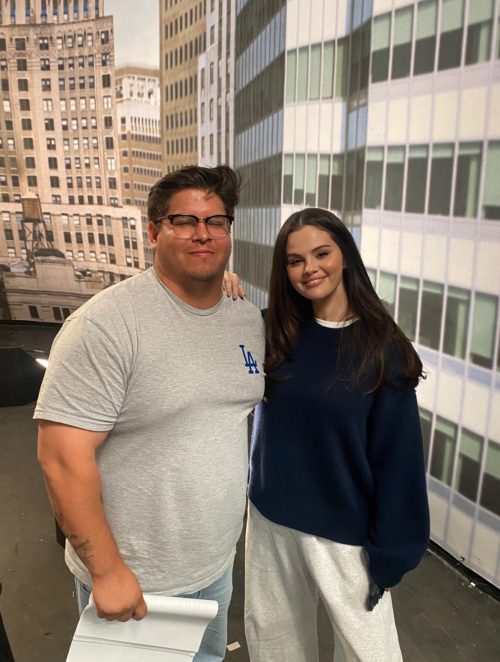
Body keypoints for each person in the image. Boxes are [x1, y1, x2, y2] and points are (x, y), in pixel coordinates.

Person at [35, 165, 265, 661]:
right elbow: (61, 457)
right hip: (137, 581)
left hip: (215, 566)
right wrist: (106, 572)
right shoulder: (106, 324)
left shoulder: (246, 319)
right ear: (154, 232)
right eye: (184, 221)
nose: (202, 233)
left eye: (216, 221)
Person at [245, 208, 430, 661]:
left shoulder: (382, 347)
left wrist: (392, 551)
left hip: (342, 531)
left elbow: (399, 460)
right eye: (295, 260)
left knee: (368, 653)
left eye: (321, 253)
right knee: (275, 647)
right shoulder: (270, 330)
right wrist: (224, 291)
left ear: (344, 255)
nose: (309, 268)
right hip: (270, 519)